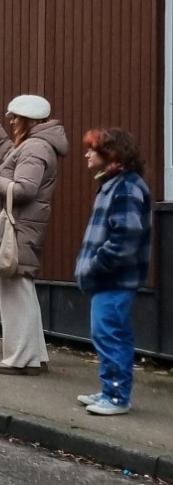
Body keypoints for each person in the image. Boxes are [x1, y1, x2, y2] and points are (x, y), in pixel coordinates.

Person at [0, 95, 68, 374]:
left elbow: (24, 189)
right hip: (25, 227)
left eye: (16, 118)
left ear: (29, 120)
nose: (13, 122)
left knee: (15, 293)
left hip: (18, 229)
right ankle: (35, 356)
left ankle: (20, 359)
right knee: (22, 291)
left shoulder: (35, 147)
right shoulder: (36, 145)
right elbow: (13, 155)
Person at [74, 128, 152, 417]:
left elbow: (124, 240)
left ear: (111, 154)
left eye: (92, 150)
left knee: (109, 333)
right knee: (110, 333)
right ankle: (111, 389)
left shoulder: (125, 189)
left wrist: (95, 265)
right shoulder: (115, 184)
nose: (87, 154)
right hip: (110, 278)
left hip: (114, 279)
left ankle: (117, 396)